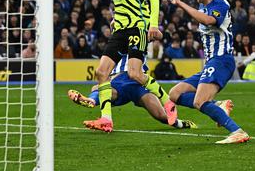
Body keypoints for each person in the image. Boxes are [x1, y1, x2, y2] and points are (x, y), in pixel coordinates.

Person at [84, 0, 173, 133]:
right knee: (101, 73)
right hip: (121, 31)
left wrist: (153, 24)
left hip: (137, 30)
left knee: (135, 74)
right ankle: (106, 119)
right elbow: (123, 3)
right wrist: (117, 18)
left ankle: (167, 102)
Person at [165, 0, 250, 144]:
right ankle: (218, 105)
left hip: (222, 61)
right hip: (211, 63)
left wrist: (180, 4)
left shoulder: (220, 4)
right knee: (175, 94)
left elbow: (208, 21)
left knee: (199, 101)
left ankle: (237, 131)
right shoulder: (203, 7)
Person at [68, 55, 196, 129]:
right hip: (120, 79)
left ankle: (180, 123)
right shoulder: (116, 40)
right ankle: (90, 101)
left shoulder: (139, 35)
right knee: (99, 89)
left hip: (138, 82)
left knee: (161, 116)